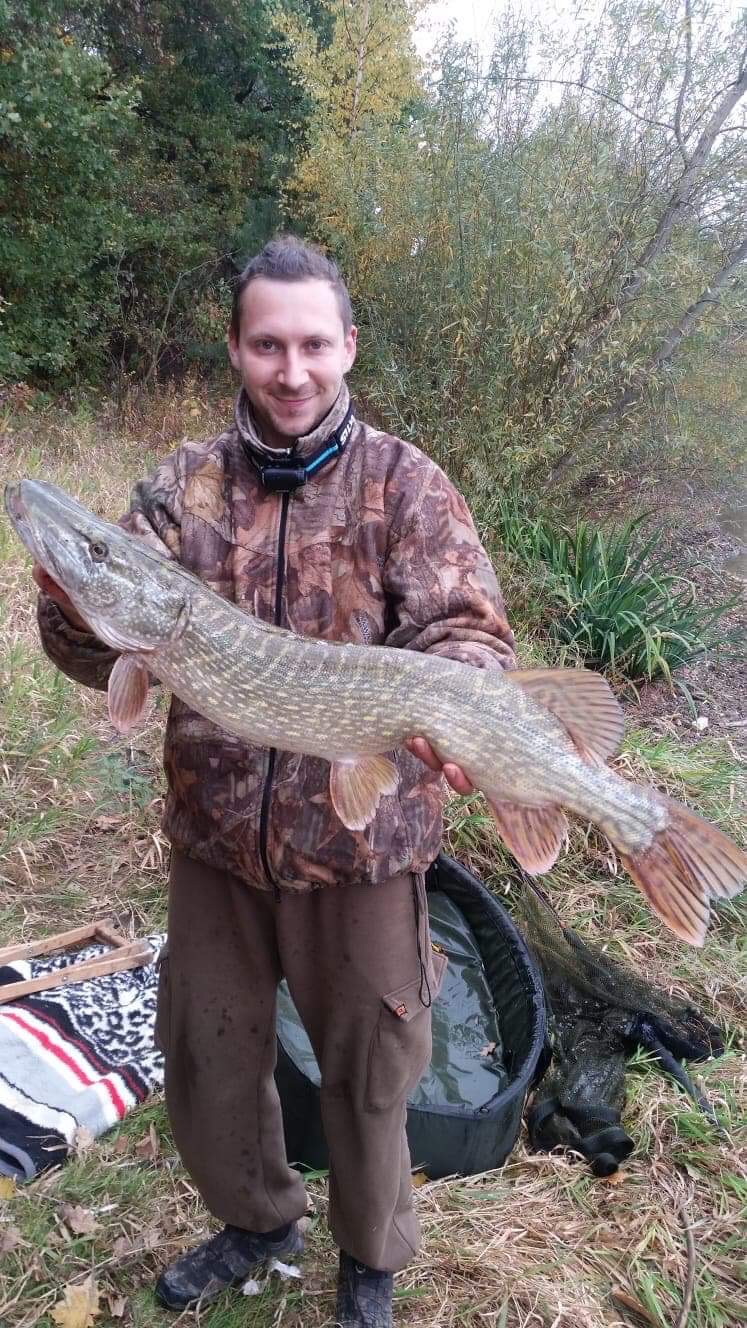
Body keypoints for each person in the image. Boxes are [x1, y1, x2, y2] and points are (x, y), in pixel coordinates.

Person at [34, 235, 516, 1328]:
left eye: (311, 343)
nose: (290, 369)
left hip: (362, 845)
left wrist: (450, 702)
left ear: (348, 344)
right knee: (207, 1054)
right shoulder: (180, 487)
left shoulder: (407, 483)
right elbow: (96, 649)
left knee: (371, 1067)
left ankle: (371, 1258)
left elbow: (469, 630)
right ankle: (257, 1218)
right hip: (215, 839)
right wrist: (69, 598)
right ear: (237, 348)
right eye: (267, 344)